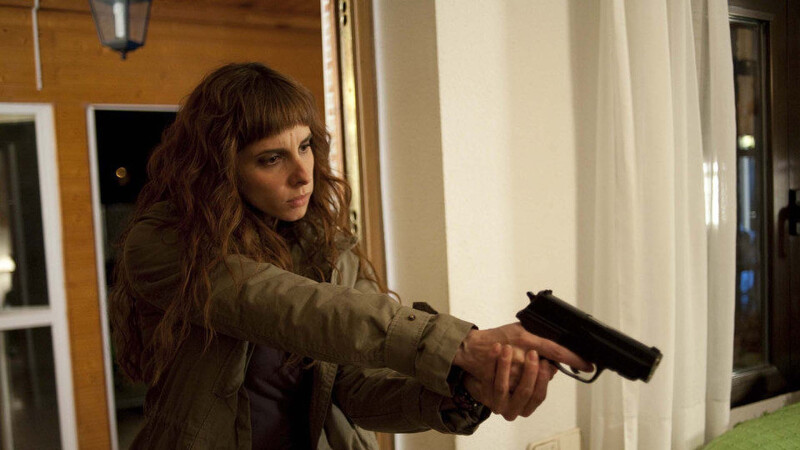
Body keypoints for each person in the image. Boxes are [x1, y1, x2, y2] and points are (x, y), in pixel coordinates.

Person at [109, 62, 591, 449]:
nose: (303, 174)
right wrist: (456, 345)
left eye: (305, 146)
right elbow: (286, 306)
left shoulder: (325, 247)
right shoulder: (165, 244)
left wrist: (459, 392)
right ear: (220, 169)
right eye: (271, 158)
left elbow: (356, 391)